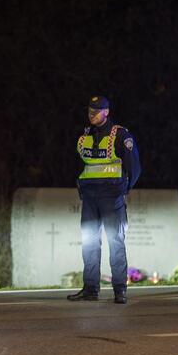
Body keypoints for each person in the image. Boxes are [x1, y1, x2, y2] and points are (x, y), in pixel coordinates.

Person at [67, 95, 141, 304]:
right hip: (90, 198)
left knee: (115, 242)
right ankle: (90, 289)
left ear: (106, 112)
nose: (91, 114)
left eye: (96, 111)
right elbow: (81, 165)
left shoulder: (120, 135)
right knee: (89, 243)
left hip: (112, 197)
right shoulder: (85, 136)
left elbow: (133, 166)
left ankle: (120, 290)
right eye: (90, 110)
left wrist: (124, 189)